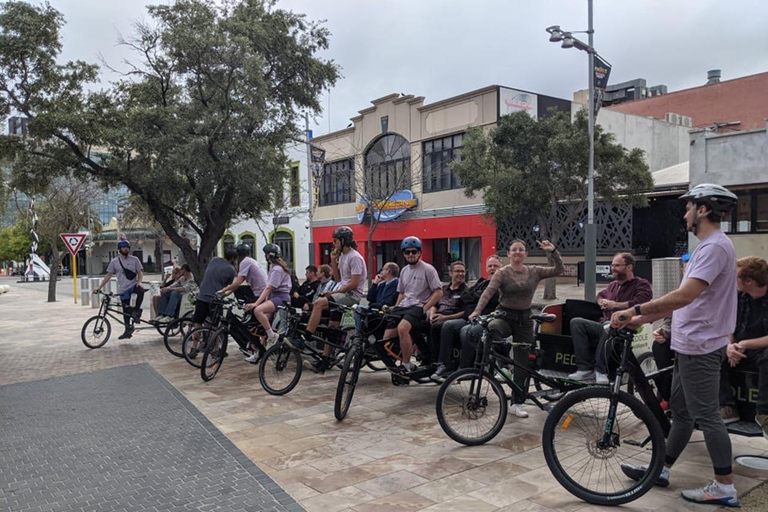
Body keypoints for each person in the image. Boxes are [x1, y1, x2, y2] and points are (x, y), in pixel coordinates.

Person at [611, 183, 740, 507]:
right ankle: (661, 469)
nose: (684, 213)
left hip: (701, 346)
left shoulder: (713, 248)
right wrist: (641, 320)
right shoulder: (706, 247)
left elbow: (685, 295)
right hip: (688, 344)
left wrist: (637, 309)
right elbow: (687, 303)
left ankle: (724, 486)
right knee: (682, 414)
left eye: (688, 207)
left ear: (703, 209)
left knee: (707, 416)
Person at [469, 239, 563, 418]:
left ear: (526, 254)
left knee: (522, 363)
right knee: (492, 328)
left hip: (525, 319)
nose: (518, 252)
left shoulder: (534, 271)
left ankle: (517, 402)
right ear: (509, 254)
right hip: (504, 315)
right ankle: (500, 363)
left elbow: (559, 270)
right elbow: (488, 292)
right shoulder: (502, 273)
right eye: (514, 250)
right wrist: (476, 311)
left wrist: (553, 252)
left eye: (521, 250)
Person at [288, 226, 367, 374]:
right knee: (332, 326)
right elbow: (338, 279)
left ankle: (306, 337)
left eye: (335, 241)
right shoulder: (343, 257)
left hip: (351, 295)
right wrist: (333, 260)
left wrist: (334, 292)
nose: (333, 243)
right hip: (342, 293)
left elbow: (354, 284)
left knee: (318, 304)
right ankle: (324, 361)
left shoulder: (355, 257)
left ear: (343, 241)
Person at [568, 253, 652, 384]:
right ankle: (584, 369)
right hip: (605, 324)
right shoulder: (613, 285)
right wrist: (601, 301)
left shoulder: (641, 284)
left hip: (626, 325)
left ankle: (601, 371)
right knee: (577, 322)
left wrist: (616, 305)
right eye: (612, 265)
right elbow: (600, 295)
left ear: (629, 267)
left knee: (608, 325)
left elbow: (641, 301)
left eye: (617, 265)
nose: (612, 268)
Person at [431, 255, 503, 381]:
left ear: (501, 268)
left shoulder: (499, 284)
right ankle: (444, 364)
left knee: (466, 331)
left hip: (484, 320)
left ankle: (464, 369)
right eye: (490, 266)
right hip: (468, 317)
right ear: (486, 268)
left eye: (495, 266)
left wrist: (474, 296)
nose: (492, 268)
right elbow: (466, 296)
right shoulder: (482, 282)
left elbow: (483, 298)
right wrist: (475, 295)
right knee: (448, 326)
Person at [719, 256, 768, 436]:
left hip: (759, 347)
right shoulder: (738, 296)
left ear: (749, 281)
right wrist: (730, 346)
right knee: (712, 351)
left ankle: (763, 413)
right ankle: (726, 406)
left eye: (736, 276)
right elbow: (728, 324)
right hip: (738, 346)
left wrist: (745, 344)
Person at [382, 236, 443, 374]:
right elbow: (402, 293)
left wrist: (425, 308)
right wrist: (395, 307)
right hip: (405, 307)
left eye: (414, 252)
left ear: (420, 252)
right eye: (407, 252)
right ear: (403, 253)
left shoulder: (428, 269)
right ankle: (404, 358)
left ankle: (407, 364)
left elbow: (438, 292)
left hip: (419, 307)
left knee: (403, 328)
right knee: (385, 336)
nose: (410, 255)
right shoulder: (404, 270)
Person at [243, 244, 292, 359]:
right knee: (263, 326)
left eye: (266, 254)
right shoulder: (273, 267)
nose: (265, 256)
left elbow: (269, 287)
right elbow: (269, 289)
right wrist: (265, 300)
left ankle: (272, 335)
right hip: (274, 297)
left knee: (258, 310)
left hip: (281, 298)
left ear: (269, 255)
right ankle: (259, 353)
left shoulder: (277, 270)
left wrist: (256, 304)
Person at [93, 237, 145, 339]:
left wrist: (139, 282)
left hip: (133, 285)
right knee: (125, 312)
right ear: (119, 249)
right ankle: (127, 330)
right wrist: (99, 287)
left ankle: (137, 311)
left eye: (127, 247)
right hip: (123, 289)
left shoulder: (135, 260)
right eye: (123, 247)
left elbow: (140, 272)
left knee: (141, 291)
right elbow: (108, 275)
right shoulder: (114, 262)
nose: (125, 249)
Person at [427, 261, 467, 365]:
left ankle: (437, 362)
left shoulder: (467, 291)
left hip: (452, 320)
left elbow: (465, 312)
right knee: (417, 324)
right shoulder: (443, 289)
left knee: (436, 327)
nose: (460, 274)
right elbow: (434, 305)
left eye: (462, 271)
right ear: (451, 273)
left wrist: (445, 318)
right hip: (437, 317)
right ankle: (424, 357)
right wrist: (431, 316)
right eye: (457, 271)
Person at [191, 249, 238, 338]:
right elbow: (227, 286)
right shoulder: (231, 270)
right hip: (214, 300)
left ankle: (194, 347)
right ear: (233, 259)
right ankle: (216, 348)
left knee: (198, 323)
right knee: (214, 325)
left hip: (201, 296)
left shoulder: (214, 260)